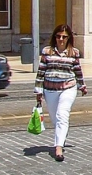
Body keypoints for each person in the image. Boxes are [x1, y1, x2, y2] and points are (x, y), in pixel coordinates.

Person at [34, 24, 86, 162]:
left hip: (68, 87)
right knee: (55, 118)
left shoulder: (73, 52)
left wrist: (82, 85)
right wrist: (38, 90)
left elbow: (77, 70)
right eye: (58, 36)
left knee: (62, 115)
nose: (61, 39)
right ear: (54, 37)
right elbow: (41, 72)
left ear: (69, 38)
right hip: (50, 89)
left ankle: (58, 148)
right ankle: (62, 136)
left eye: (64, 37)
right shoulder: (47, 51)